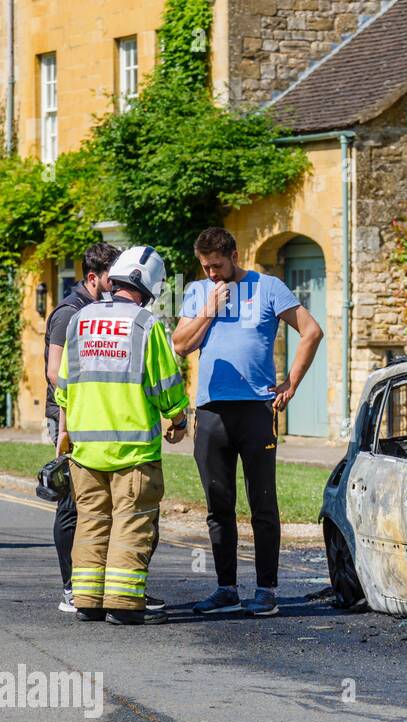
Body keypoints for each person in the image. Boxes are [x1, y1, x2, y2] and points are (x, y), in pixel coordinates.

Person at [173, 227, 323, 618]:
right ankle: (225, 589)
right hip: (211, 411)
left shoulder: (268, 287)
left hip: (257, 410)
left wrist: (290, 383)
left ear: (234, 256)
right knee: (218, 504)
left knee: (263, 503)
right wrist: (209, 307)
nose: (212, 274)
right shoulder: (196, 291)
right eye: (205, 267)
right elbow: (180, 344)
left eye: (217, 266)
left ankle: (266, 590)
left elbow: (312, 330)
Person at [55, 246, 190, 625]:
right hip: (132, 451)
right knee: (133, 521)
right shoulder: (146, 325)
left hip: (85, 449)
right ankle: (124, 603)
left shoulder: (79, 321)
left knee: (92, 521)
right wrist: (179, 420)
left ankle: (86, 599)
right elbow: (166, 387)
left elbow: (64, 385)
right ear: (150, 288)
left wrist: (65, 433)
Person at [43, 242, 118, 612]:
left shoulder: (101, 312)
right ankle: (73, 588)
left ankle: (95, 585)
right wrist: (65, 427)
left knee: (94, 504)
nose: (118, 286)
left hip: (93, 418)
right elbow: (55, 374)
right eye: (111, 279)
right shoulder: (69, 314)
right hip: (68, 418)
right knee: (72, 505)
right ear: (93, 278)